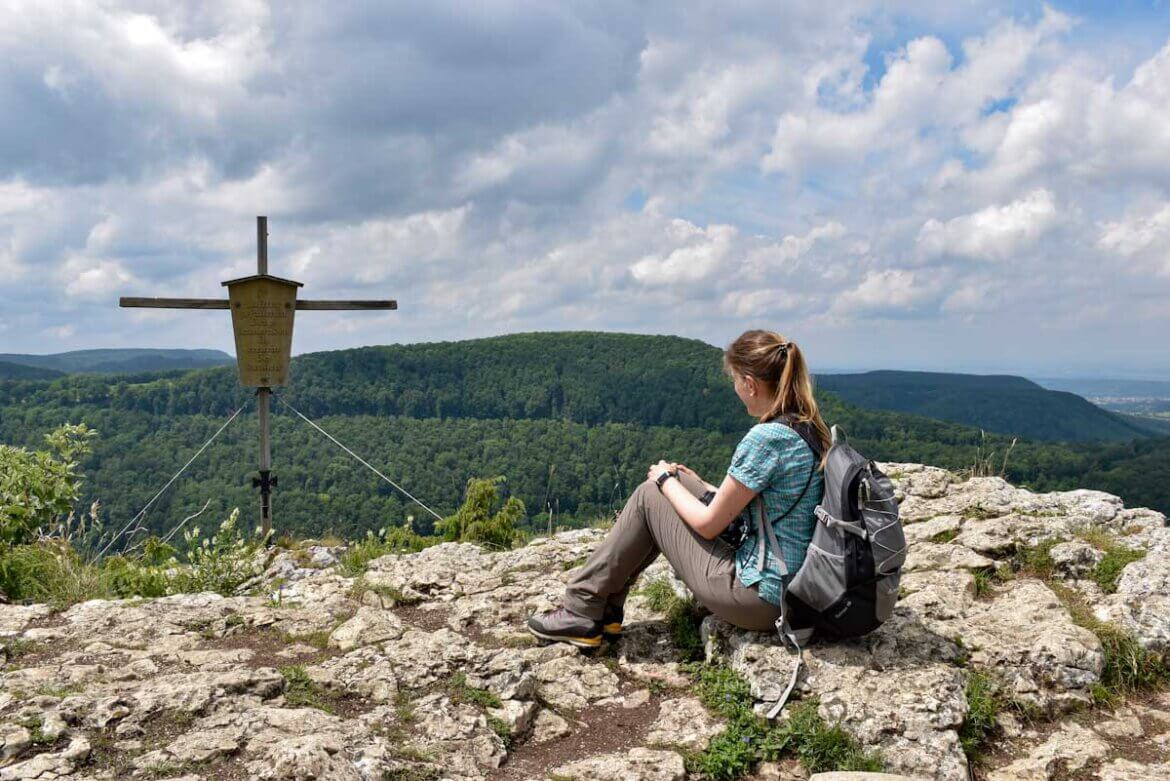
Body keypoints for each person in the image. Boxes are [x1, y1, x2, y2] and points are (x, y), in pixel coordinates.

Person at [526, 329, 831, 647]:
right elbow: (770, 501)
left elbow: (709, 525)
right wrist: (690, 484)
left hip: (761, 598)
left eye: (736, 381)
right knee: (677, 481)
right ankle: (604, 609)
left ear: (750, 385)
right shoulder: (807, 426)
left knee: (650, 494)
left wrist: (663, 481)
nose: (736, 389)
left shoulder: (766, 438)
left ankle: (582, 607)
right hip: (797, 587)